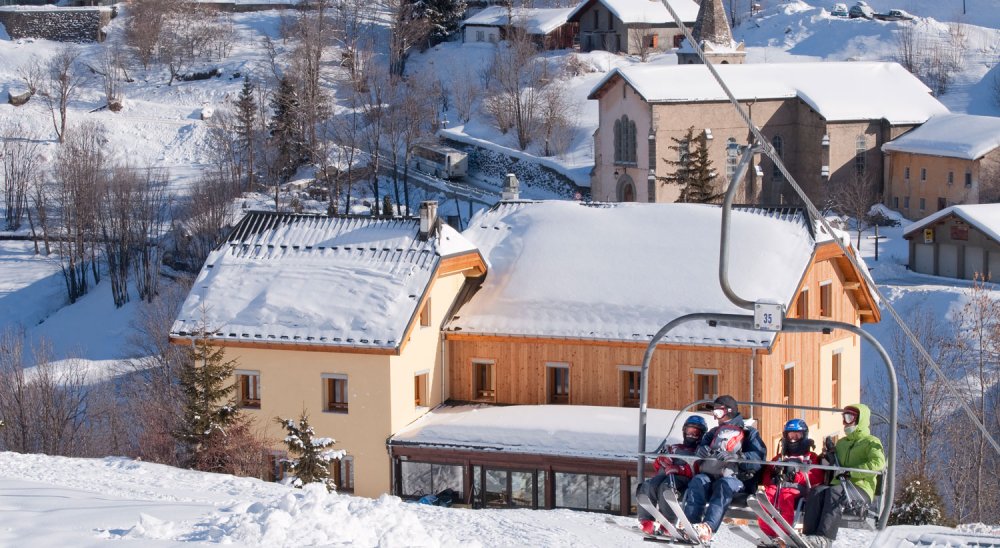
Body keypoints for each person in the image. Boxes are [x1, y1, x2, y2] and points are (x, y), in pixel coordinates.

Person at [682, 395, 767, 542]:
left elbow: (758, 458)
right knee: (698, 480)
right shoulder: (714, 432)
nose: (715, 417)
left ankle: (708, 528)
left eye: (718, 412)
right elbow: (701, 446)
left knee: (724, 485)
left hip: (738, 480)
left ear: (729, 411)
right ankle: (691, 525)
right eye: (714, 413)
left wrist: (738, 457)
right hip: (711, 476)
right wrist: (701, 451)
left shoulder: (748, 433)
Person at [802, 403, 886, 548]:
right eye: (844, 418)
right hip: (839, 486)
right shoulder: (841, 444)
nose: (845, 422)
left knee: (835, 493)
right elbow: (833, 464)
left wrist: (851, 471)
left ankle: (825, 538)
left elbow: (878, 463)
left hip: (860, 489)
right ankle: (809, 536)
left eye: (849, 417)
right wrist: (826, 456)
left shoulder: (871, 442)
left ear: (860, 420)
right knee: (816, 492)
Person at [637, 415, 708, 536]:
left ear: (701, 435)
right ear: (684, 431)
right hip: (665, 475)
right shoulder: (674, 447)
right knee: (647, 485)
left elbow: (697, 469)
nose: (691, 435)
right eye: (689, 431)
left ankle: (669, 522)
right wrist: (661, 460)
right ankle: (646, 520)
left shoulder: (699, 451)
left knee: (666, 487)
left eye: (695, 432)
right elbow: (657, 466)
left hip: (684, 479)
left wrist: (678, 468)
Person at [758, 419, 825, 541]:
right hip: (778, 485)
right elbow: (767, 473)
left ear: (804, 436)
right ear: (785, 437)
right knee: (768, 495)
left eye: (797, 435)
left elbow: (816, 476)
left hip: (798, 488)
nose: (793, 439)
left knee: (785, 496)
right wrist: (774, 476)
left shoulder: (810, 457)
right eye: (790, 435)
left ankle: (783, 531)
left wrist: (795, 476)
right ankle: (768, 532)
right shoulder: (780, 457)